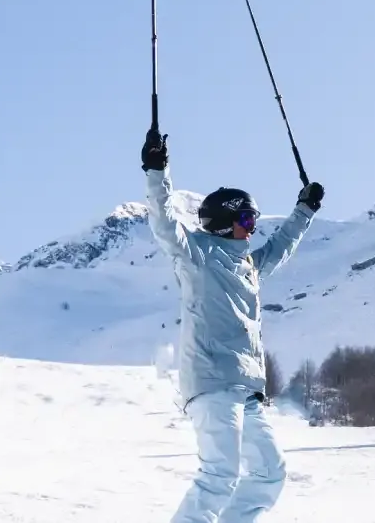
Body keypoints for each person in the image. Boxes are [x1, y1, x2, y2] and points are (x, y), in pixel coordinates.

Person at [142, 125, 323, 523]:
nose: (253, 226)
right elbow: (165, 225)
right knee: (219, 475)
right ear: (225, 221)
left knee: (268, 474)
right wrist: (157, 171)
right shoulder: (198, 257)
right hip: (212, 380)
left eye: (254, 218)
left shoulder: (247, 266)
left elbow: (279, 247)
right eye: (246, 217)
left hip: (247, 388)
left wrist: (305, 211)